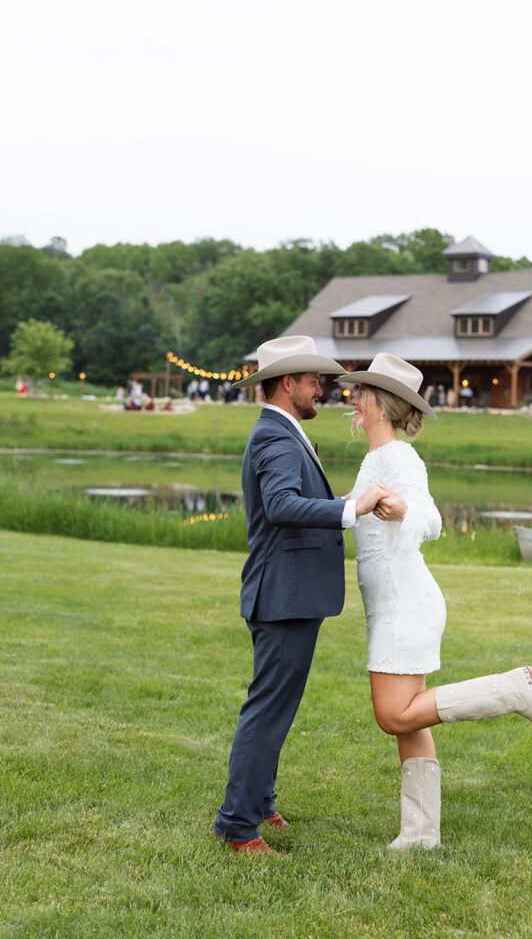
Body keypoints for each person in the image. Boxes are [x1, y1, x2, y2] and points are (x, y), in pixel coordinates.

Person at [338, 353, 532, 850]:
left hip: (404, 602)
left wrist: (402, 511)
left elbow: (431, 519)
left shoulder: (397, 457)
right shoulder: (376, 458)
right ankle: (419, 835)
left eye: (362, 392)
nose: (353, 399)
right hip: (394, 603)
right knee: (407, 718)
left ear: (379, 403)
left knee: (394, 715)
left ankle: (515, 690)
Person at [213, 336, 387, 856]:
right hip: (282, 595)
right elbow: (282, 505)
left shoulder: (281, 433)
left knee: (276, 705)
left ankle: (261, 801)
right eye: (314, 381)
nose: (323, 390)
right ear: (288, 383)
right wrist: (351, 508)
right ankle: (238, 826)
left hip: (289, 593)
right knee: (268, 708)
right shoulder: (277, 439)